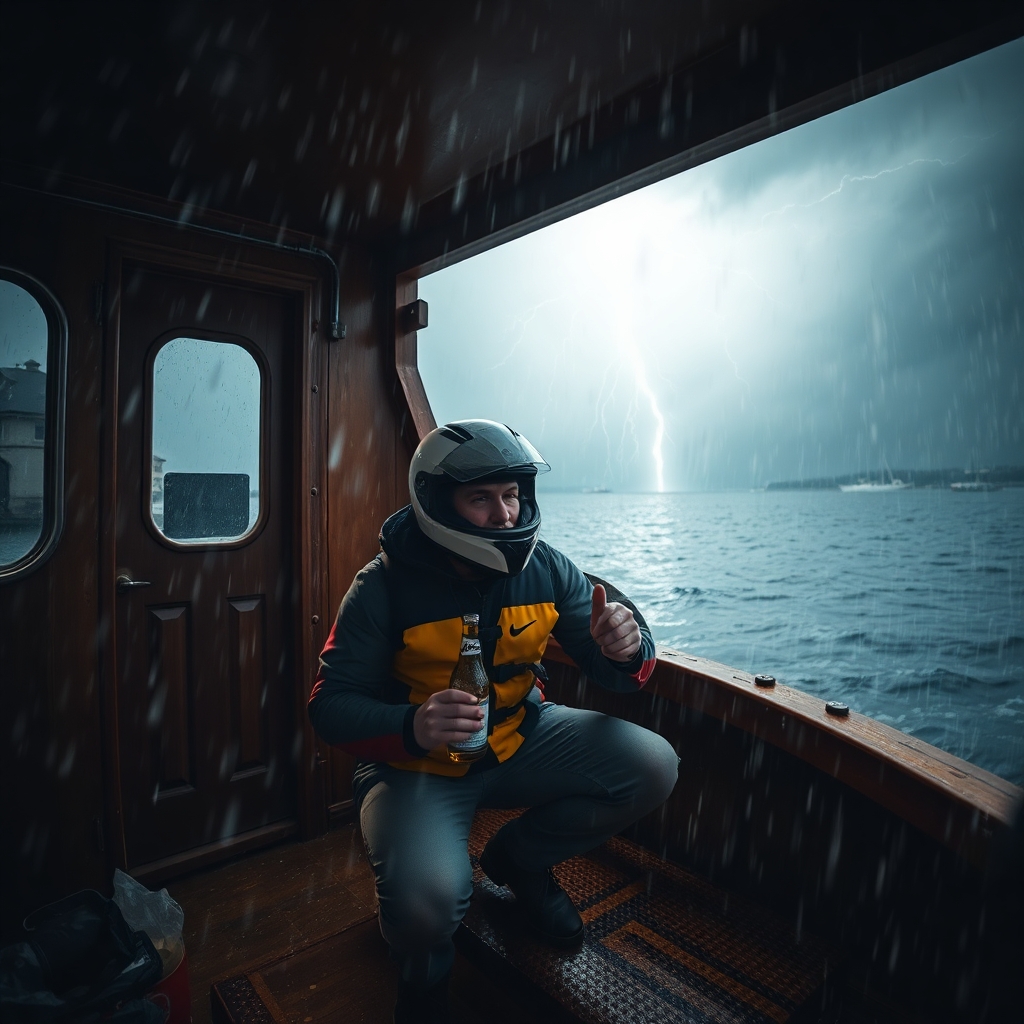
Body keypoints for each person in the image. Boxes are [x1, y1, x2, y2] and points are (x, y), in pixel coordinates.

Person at [308, 420, 678, 1024]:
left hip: (518, 740)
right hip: (413, 768)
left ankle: (520, 863)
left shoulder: (549, 569)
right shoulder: (381, 588)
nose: (505, 515)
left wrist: (626, 646)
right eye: (481, 498)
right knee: (428, 906)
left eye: (511, 495)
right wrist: (411, 725)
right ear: (435, 502)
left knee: (654, 764)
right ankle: (423, 988)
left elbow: (617, 665)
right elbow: (328, 705)